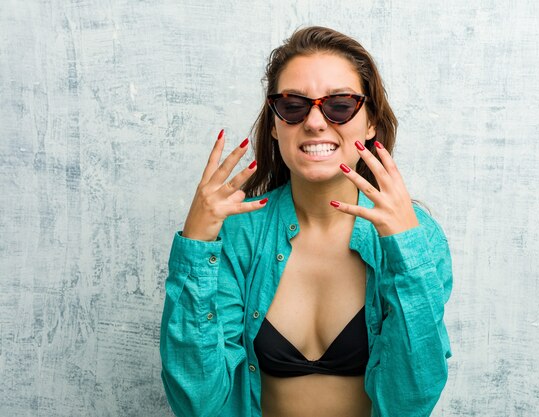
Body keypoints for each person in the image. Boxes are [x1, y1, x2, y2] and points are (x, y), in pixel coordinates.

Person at [160, 26, 453, 417]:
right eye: (294, 105)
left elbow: (410, 402)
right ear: (276, 124)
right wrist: (195, 246)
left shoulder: (417, 239)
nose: (315, 122)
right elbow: (197, 403)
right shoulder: (237, 233)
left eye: (340, 104)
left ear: (370, 123)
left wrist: (406, 254)